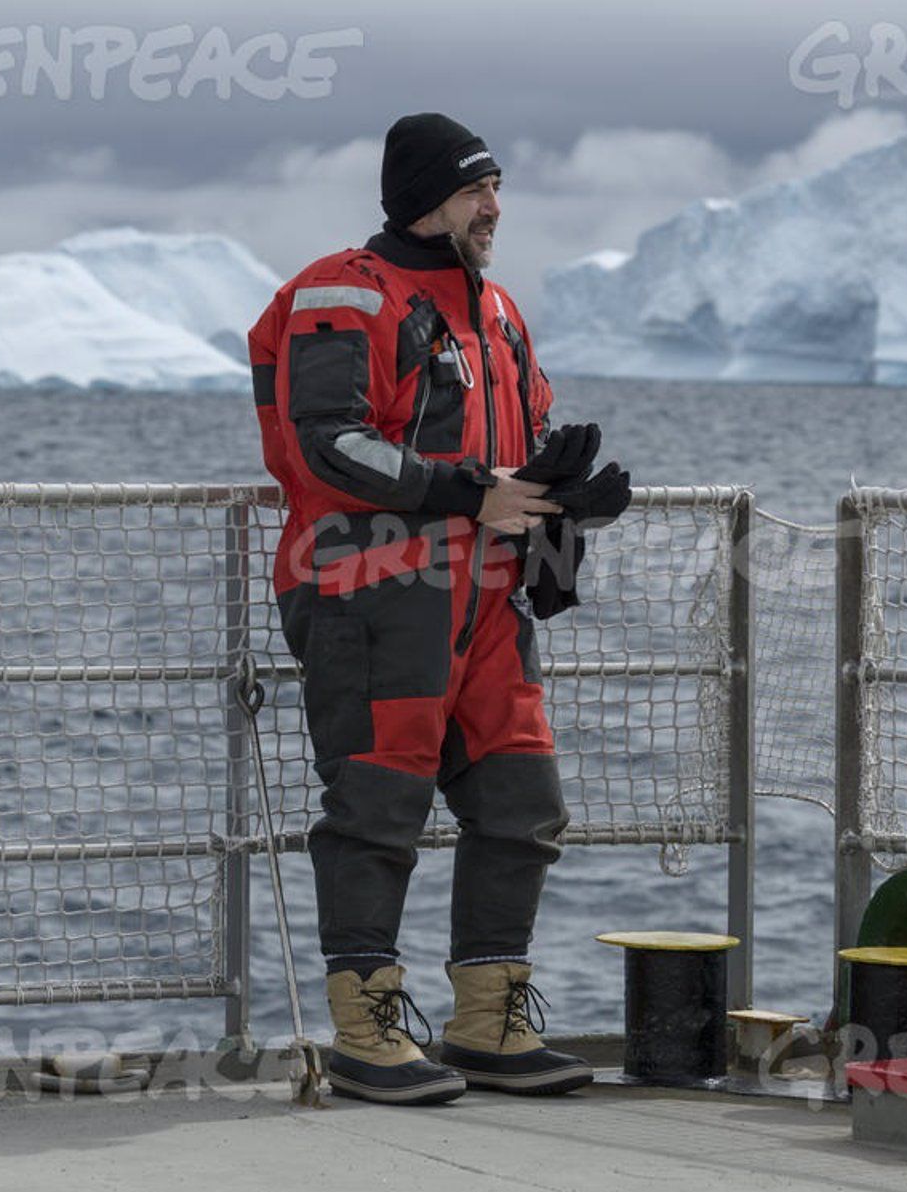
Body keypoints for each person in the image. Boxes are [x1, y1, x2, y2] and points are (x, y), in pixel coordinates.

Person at [248, 113, 626, 1105]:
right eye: (476, 189)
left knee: (525, 803)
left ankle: (485, 1021)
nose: (494, 207)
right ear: (425, 194)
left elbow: (522, 439)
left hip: (489, 603)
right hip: (372, 596)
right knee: (378, 810)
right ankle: (366, 1034)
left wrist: (557, 523)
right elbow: (329, 440)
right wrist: (472, 494)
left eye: (497, 187)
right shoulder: (344, 293)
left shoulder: (497, 309)